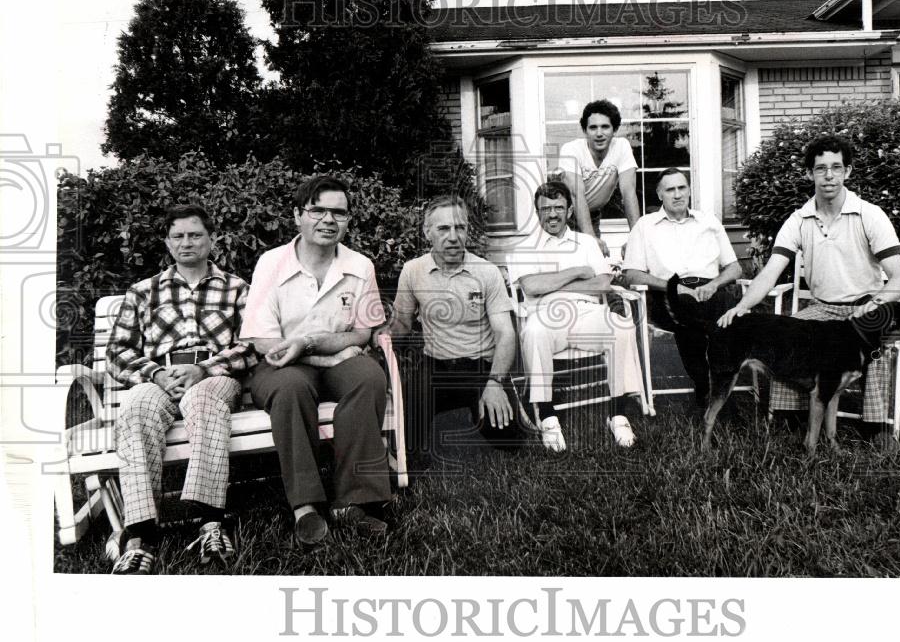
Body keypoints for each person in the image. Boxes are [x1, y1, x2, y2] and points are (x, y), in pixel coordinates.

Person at [105, 204, 257, 574]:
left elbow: (253, 344)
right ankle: (140, 537)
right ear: (168, 242)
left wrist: (204, 368)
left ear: (211, 239)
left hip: (213, 376)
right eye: (178, 236)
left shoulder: (237, 288)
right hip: (159, 376)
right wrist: (155, 373)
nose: (186, 242)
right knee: (137, 407)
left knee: (204, 400)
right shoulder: (143, 292)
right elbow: (117, 352)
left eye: (195, 235)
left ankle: (210, 524)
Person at [241, 175, 391, 545]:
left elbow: (362, 333)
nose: (328, 220)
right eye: (317, 210)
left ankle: (352, 500)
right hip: (282, 364)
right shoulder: (271, 263)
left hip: (338, 359)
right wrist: (318, 352)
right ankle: (306, 506)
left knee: (368, 377)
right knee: (292, 388)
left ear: (348, 220)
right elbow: (263, 340)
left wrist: (314, 345)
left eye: (338, 213)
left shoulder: (360, 266)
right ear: (297, 215)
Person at [718, 134, 900, 422]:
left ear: (848, 171)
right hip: (823, 308)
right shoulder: (799, 220)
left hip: (866, 306)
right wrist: (742, 306)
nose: (829, 176)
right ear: (810, 173)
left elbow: (899, 279)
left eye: (836, 167)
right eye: (821, 168)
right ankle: (792, 417)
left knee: (874, 347)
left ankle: (876, 425)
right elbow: (770, 272)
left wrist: (873, 307)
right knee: (786, 339)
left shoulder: (870, 215)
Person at [389, 195, 528, 465]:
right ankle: (411, 460)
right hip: (435, 366)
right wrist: (376, 336)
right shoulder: (412, 271)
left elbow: (505, 334)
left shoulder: (487, 272)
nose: (453, 237)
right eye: (443, 229)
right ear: (427, 233)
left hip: (481, 367)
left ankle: (490, 408)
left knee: (509, 441)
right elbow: (402, 325)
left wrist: (495, 382)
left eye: (460, 228)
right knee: (408, 437)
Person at [507, 180, 644, 450]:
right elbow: (531, 287)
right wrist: (577, 271)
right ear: (537, 213)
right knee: (533, 331)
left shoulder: (586, 243)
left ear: (570, 210)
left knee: (621, 325)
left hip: (588, 312)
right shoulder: (524, 246)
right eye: (546, 209)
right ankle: (547, 417)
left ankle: (618, 414)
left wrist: (553, 284)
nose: (553, 214)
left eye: (559, 207)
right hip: (546, 318)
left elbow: (603, 284)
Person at [622, 168, 743, 408]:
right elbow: (631, 273)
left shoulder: (708, 221)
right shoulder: (645, 226)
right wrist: (674, 289)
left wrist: (714, 284)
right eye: (670, 189)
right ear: (659, 195)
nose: (677, 194)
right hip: (668, 295)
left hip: (710, 290)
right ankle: (714, 391)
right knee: (696, 314)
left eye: (682, 188)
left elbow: (735, 268)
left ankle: (709, 391)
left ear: (689, 190)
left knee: (715, 312)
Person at [556, 99, 640, 251]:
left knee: (594, 265)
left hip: (591, 215)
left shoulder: (622, 147)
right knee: (567, 263)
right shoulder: (571, 149)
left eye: (605, 127)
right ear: (585, 131)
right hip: (561, 216)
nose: (599, 133)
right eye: (593, 127)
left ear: (614, 129)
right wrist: (590, 239)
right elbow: (576, 195)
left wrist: (637, 239)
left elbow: (628, 192)